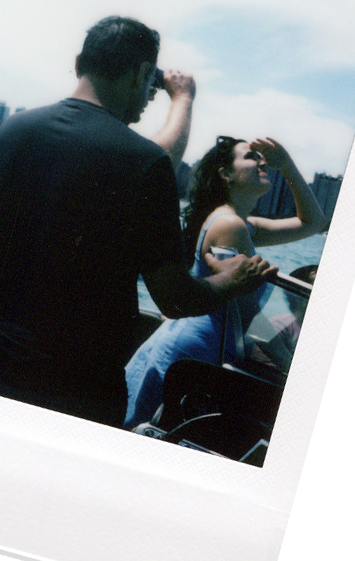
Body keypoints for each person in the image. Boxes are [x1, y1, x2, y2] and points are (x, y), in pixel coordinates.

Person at [0, 16, 274, 426]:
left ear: (80, 62)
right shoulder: (146, 163)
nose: (148, 99)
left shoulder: (10, 130)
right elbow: (174, 299)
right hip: (73, 394)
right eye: (151, 86)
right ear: (140, 73)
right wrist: (234, 277)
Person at [124, 136, 326, 428]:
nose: (261, 162)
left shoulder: (241, 223)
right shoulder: (230, 225)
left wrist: (286, 166)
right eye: (249, 157)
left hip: (197, 344)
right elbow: (247, 314)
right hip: (198, 348)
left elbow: (314, 223)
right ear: (226, 174)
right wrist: (289, 366)